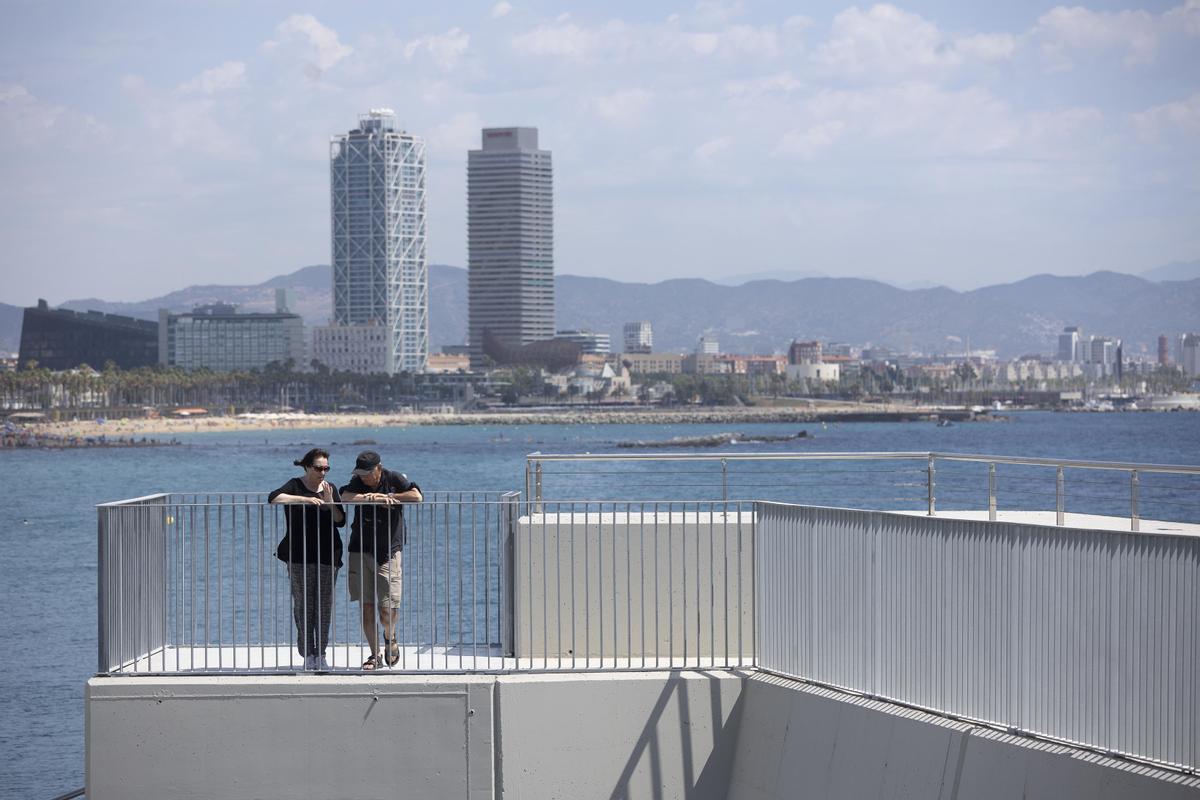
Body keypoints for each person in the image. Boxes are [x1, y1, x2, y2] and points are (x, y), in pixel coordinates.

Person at [339, 450, 422, 670]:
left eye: (367, 473)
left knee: (387, 607)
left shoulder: (393, 478)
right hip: (359, 549)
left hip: (388, 551)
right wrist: (370, 497)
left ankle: (390, 636)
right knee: (366, 607)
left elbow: (416, 496)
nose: (364, 478)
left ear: (379, 468)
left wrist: (391, 497)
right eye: (360, 473)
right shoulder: (358, 481)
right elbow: (345, 497)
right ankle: (374, 655)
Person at [269, 448, 345, 671]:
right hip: (298, 556)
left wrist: (330, 502)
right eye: (319, 468)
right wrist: (304, 499)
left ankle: (320, 654)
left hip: (328, 555)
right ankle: (307, 654)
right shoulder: (295, 484)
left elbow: (340, 521)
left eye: (326, 468)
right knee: (303, 606)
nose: (323, 472)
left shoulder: (331, 489)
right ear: (307, 467)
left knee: (323, 607)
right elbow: (274, 498)